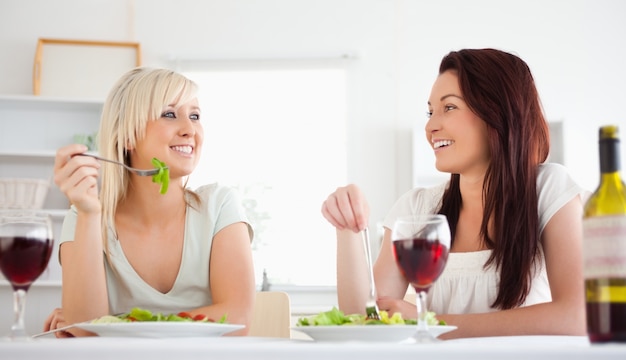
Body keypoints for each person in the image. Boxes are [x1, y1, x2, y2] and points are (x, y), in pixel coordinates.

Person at [321, 48, 586, 339]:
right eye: (430, 111)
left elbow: (577, 316)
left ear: (497, 113)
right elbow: (363, 320)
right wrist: (347, 227)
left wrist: (432, 323)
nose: (431, 126)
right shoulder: (417, 209)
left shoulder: (547, 189)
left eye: (449, 108)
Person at [44, 67, 256, 337]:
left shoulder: (220, 205)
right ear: (127, 137)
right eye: (169, 114)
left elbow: (236, 320)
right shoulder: (84, 216)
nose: (190, 129)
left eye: (195, 115)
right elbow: (86, 332)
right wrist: (88, 213)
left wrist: (119, 323)